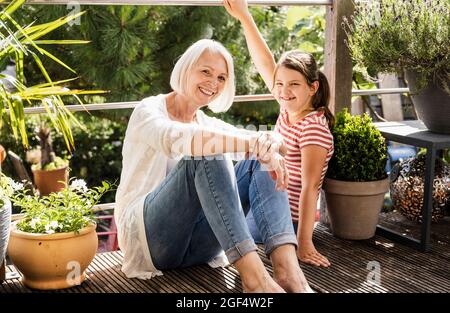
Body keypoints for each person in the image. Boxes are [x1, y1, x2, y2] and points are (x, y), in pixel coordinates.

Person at [115, 39, 312, 292]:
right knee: (209, 151)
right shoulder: (148, 111)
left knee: (257, 161)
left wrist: (267, 144)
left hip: (200, 247)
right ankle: (256, 281)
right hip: (152, 243)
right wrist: (256, 142)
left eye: (221, 77)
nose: (213, 83)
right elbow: (183, 138)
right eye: (206, 71)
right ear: (186, 68)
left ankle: (288, 273)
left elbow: (276, 140)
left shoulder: (206, 123)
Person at [224, 0, 335, 268]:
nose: (284, 91)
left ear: (312, 87)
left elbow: (310, 189)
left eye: (294, 84)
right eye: (280, 84)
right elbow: (265, 61)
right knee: (246, 165)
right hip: (268, 199)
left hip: (284, 220)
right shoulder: (289, 108)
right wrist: (244, 16)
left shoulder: (313, 128)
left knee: (222, 236)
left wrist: (304, 241)